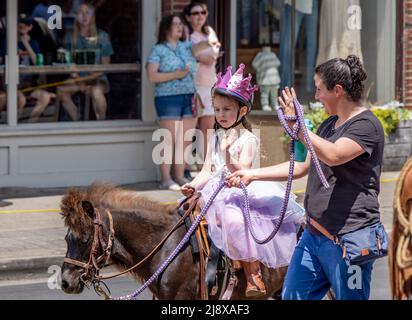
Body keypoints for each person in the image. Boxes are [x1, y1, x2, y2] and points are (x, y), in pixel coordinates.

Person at [227, 55, 385, 300]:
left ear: (338, 90)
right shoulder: (329, 125)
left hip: (349, 241)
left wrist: (300, 128)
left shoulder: (367, 125)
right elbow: (301, 166)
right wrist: (251, 174)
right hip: (313, 237)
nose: (316, 96)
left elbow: (333, 155)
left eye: (320, 89)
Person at [181, 64, 305, 297]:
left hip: (239, 190)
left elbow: (243, 171)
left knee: (234, 221)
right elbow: (207, 170)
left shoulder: (248, 138)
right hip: (214, 190)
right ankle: (195, 271)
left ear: (243, 110)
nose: (221, 115)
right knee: (185, 214)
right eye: (217, 110)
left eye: (227, 109)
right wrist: (193, 185)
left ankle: (253, 274)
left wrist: (228, 155)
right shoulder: (216, 137)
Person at [147, 14, 212, 191]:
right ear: (166, 28)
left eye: (181, 24)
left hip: (189, 97)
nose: (180, 27)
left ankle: (180, 176)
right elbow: (152, 75)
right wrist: (176, 75)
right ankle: (166, 179)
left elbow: (204, 46)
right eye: (175, 24)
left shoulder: (187, 46)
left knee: (185, 139)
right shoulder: (158, 50)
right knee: (168, 139)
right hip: (167, 98)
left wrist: (209, 35)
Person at [57, 3, 114, 121]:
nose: (84, 16)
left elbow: (105, 66)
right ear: (75, 16)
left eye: (87, 12)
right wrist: (79, 81)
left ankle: (102, 125)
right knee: (61, 91)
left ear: (93, 16)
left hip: (98, 78)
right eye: (80, 13)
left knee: (96, 93)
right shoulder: (69, 37)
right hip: (76, 79)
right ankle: (78, 121)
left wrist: (88, 80)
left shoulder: (102, 36)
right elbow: (65, 62)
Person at [183, 2, 221, 161]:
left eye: (203, 12)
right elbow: (194, 55)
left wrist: (206, 57)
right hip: (194, 86)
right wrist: (206, 56)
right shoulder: (186, 34)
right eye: (195, 13)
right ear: (188, 17)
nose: (200, 16)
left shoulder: (210, 32)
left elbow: (213, 56)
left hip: (210, 84)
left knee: (208, 128)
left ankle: (207, 166)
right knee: (189, 130)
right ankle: (183, 168)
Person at [0, 14, 55, 121]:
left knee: (45, 97)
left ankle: (29, 124)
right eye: (20, 25)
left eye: (26, 25)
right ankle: (15, 126)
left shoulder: (33, 42)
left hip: (29, 85)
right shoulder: (7, 42)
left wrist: (26, 44)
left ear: (30, 27)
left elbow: (37, 63)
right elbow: (2, 60)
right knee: (20, 99)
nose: (23, 28)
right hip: (13, 84)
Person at [252, 46, 281, 111]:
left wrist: (260, 69)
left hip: (265, 78)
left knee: (265, 93)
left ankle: (267, 105)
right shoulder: (272, 54)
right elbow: (278, 63)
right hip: (274, 78)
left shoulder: (261, 55)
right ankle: (273, 105)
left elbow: (255, 64)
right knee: (272, 94)